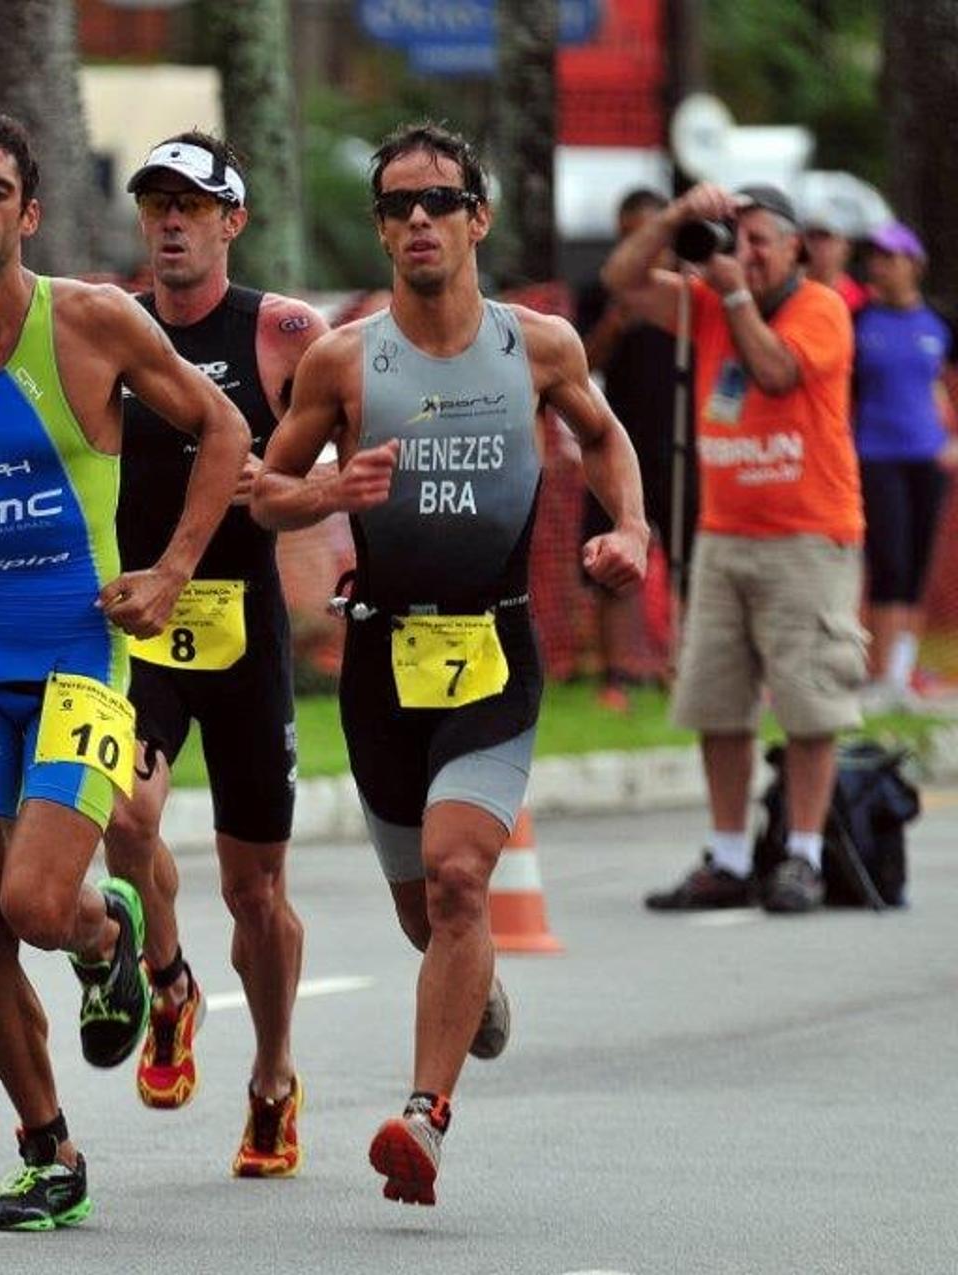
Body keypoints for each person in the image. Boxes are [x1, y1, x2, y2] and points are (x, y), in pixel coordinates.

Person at [0, 115, 249, 1232]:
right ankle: (48, 1150)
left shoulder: (94, 323)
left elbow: (223, 432)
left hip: (83, 648)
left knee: (32, 903)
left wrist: (170, 571)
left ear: (28, 214)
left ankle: (107, 929)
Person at [252, 122, 649, 1207]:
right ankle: (471, 983)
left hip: (491, 645)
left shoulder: (541, 345)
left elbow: (606, 439)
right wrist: (325, 497)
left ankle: (424, 1118)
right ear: (381, 228)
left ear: (479, 218)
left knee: (462, 877)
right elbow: (264, 490)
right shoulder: (344, 359)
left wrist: (635, 530)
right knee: (426, 914)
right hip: (381, 656)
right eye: (396, 206)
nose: (418, 221)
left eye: (439, 202)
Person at [102, 131, 327, 1177]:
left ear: (232, 221)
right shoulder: (112, 331)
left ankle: (274, 1074)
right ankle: (170, 978)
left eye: (192, 205)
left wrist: (324, 526)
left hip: (245, 641)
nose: (172, 221)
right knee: (123, 815)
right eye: (156, 204)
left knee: (256, 892)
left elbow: (344, 456)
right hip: (146, 627)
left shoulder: (283, 332)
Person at [603, 182, 863, 916]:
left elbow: (776, 370)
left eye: (759, 241)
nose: (743, 253)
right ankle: (728, 855)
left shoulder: (822, 307)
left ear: (794, 248)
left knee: (811, 705)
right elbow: (621, 280)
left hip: (807, 536)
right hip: (723, 536)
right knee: (717, 700)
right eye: (734, 237)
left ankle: (804, 856)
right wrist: (679, 218)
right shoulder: (707, 303)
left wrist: (736, 296)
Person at [574, 188, 696, 710]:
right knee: (612, 558)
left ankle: (686, 667)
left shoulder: (689, 295)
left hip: (683, 444)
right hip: (619, 443)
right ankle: (616, 672)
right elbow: (579, 363)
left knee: (690, 561)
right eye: (628, 235)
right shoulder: (605, 291)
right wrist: (615, 323)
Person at [852, 221, 955, 704]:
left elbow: (938, 384)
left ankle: (900, 673)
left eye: (891, 257)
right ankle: (878, 674)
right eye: (876, 257)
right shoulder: (860, 322)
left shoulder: (938, 323)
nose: (881, 266)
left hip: (926, 457)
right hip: (876, 454)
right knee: (888, 560)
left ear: (914, 264)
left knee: (916, 564)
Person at [803, 208, 868, 315]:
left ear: (846, 246)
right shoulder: (789, 292)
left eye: (825, 237)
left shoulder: (862, 301)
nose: (817, 245)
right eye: (812, 237)